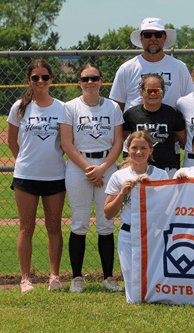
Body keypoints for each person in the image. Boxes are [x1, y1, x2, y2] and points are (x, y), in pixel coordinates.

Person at [59, 63, 124, 293]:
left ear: (101, 81)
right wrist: (90, 169)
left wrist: (104, 168)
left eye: (94, 78)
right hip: (79, 167)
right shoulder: (70, 107)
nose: (90, 82)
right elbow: (67, 143)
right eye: (85, 79)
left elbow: (118, 142)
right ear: (79, 82)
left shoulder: (113, 107)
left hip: (107, 165)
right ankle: (77, 277)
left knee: (106, 224)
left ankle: (109, 277)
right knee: (79, 222)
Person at [6, 59, 66, 293]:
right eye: (35, 77)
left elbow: (66, 141)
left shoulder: (62, 107)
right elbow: (12, 141)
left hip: (55, 176)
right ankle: (25, 279)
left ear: (51, 79)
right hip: (26, 176)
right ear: (29, 80)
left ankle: (54, 276)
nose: (40, 81)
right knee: (26, 227)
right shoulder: (20, 106)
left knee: (54, 227)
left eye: (45, 77)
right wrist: (23, 161)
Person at [103, 131, 170, 303]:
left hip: (153, 234)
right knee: (133, 291)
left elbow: (166, 211)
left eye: (143, 148)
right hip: (128, 234)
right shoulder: (119, 176)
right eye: (134, 148)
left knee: (153, 282)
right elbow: (108, 213)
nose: (138, 152)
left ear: (151, 151)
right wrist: (122, 193)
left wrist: (152, 187)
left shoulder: (160, 175)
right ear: (127, 149)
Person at [109, 17, 194, 112]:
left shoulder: (179, 68)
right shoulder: (127, 69)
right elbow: (116, 107)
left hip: (171, 125)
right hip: (136, 126)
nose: (153, 38)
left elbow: (190, 102)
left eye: (158, 34)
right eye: (148, 35)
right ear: (141, 38)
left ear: (164, 38)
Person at [122, 73, 187, 175]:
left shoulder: (173, 114)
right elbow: (121, 140)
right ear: (141, 92)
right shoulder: (131, 114)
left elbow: (183, 140)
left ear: (164, 92)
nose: (153, 94)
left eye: (157, 90)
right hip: (139, 168)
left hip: (166, 169)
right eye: (148, 90)